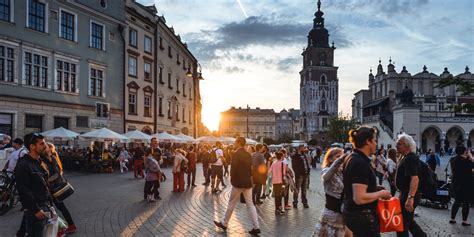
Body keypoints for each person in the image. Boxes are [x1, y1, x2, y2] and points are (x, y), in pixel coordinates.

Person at [343, 126, 392, 237]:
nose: (376, 144)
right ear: (367, 141)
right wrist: (381, 194)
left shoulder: (351, 157)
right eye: (374, 141)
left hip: (354, 215)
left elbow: (354, 186)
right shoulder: (360, 162)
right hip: (363, 218)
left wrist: (374, 188)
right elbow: (359, 198)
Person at [214, 137, 261, 235]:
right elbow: (251, 168)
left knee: (231, 203)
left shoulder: (235, 154)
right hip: (247, 181)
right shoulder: (249, 154)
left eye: (235, 142)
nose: (234, 143)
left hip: (238, 182)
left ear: (239, 143)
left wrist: (231, 178)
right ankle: (256, 227)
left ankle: (224, 223)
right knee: (251, 204)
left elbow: (233, 168)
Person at [15, 133, 52, 236]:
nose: (45, 146)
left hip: (44, 206)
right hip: (36, 210)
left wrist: (51, 205)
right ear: (32, 146)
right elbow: (23, 191)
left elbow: (45, 185)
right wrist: (36, 210)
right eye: (42, 144)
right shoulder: (24, 165)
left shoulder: (39, 162)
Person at [395, 133, 426, 237]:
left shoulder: (410, 158)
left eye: (399, 144)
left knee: (402, 224)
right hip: (406, 193)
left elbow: (414, 178)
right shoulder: (406, 157)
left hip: (410, 194)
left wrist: (410, 197)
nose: (396, 146)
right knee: (409, 222)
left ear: (407, 146)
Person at [314, 147, 349, 237]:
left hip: (342, 214)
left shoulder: (344, 172)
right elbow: (326, 176)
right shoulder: (326, 170)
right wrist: (340, 160)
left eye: (341, 156)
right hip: (331, 214)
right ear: (329, 159)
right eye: (337, 156)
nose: (340, 158)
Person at [42, 143, 76, 234]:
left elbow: (56, 174)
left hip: (53, 189)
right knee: (55, 208)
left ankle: (67, 226)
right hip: (50, 189)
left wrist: (46, 181)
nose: (43, 148)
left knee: (56, 208)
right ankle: (68, 226)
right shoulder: (45, 159)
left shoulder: (51, 159)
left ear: (49, 149)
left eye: (45, 147)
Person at [449, 145, 473, 226]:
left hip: (456, 184)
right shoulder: (466, 161)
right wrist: (471, 157)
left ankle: (452, 218)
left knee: (457, 201)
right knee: (466, 203)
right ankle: (464, 221)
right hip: (466, 185)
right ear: (464, 151)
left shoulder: (453, 159)